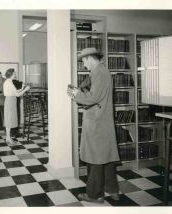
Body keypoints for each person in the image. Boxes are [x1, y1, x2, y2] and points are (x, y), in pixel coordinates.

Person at [67, 47, 120, 203]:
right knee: (107, 157)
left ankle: (94, 194)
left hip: (97, 121)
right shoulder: (102, 71)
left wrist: (76, 94)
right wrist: (81, 91)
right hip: (103, 119)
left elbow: (93, 97)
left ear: (90, 58)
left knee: (95, 158)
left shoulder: (98, 73)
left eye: (84, 61)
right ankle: (112, 189)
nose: (84, 65)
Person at [3, 68, 30, 145]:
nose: (15, 75)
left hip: (10, 101)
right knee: (9, 119)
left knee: (9, 119)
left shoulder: (8, 82)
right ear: (11, 74)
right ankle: (8, 137)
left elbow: (15, 92)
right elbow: (17, 94)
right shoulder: (9, 83)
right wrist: (25, 90)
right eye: (14, 74)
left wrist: (22, 88)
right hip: (10, 101)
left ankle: (8, 137)